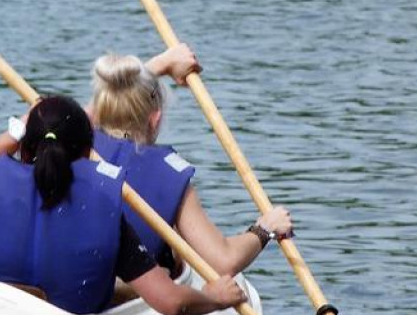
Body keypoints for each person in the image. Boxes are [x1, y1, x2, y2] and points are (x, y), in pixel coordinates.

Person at [0, 94, 246, 315]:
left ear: (25, 148)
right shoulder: (103, 206)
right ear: (88, 151)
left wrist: (16, 131)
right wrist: (214, 298)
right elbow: (172, 303)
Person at [89, 45, 294, 276]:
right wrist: (265, 228)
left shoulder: (71, 143)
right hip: (132, 301)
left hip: (64, 298)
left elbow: (73, 113)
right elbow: (224, 261)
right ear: (155, 119)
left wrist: (159, 65)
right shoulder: (168, 173)